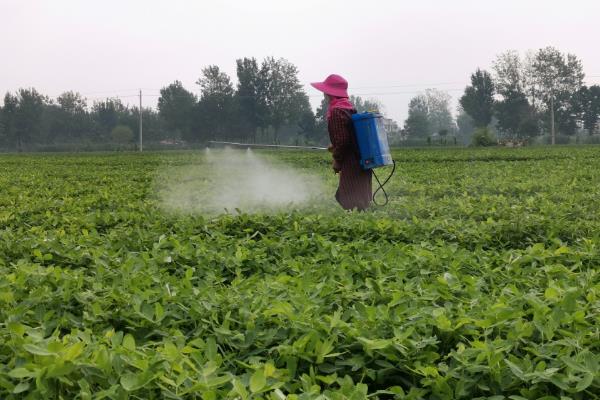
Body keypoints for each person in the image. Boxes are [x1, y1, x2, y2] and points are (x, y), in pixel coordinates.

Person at [311, 74, 372, 211]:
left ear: (330, 94)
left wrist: (337, 160)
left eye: (325, 92)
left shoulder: (337, 111)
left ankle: (357, 228)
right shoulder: (348, 108)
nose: (324, 95)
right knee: (358, 198)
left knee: (350, 201)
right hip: (360, 160)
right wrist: (335, 146)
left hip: (351, 162)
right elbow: (349, 135)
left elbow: (343, 141)